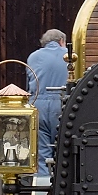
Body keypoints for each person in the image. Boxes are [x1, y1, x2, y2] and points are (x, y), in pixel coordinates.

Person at [27, 29, 68, 176]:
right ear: (61, 41)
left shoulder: (33, 57)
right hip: (62, 104)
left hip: (38, 104)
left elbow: (29, 85)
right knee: (64, 151)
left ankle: (42, 192)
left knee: (42, 153)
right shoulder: (68, 55)